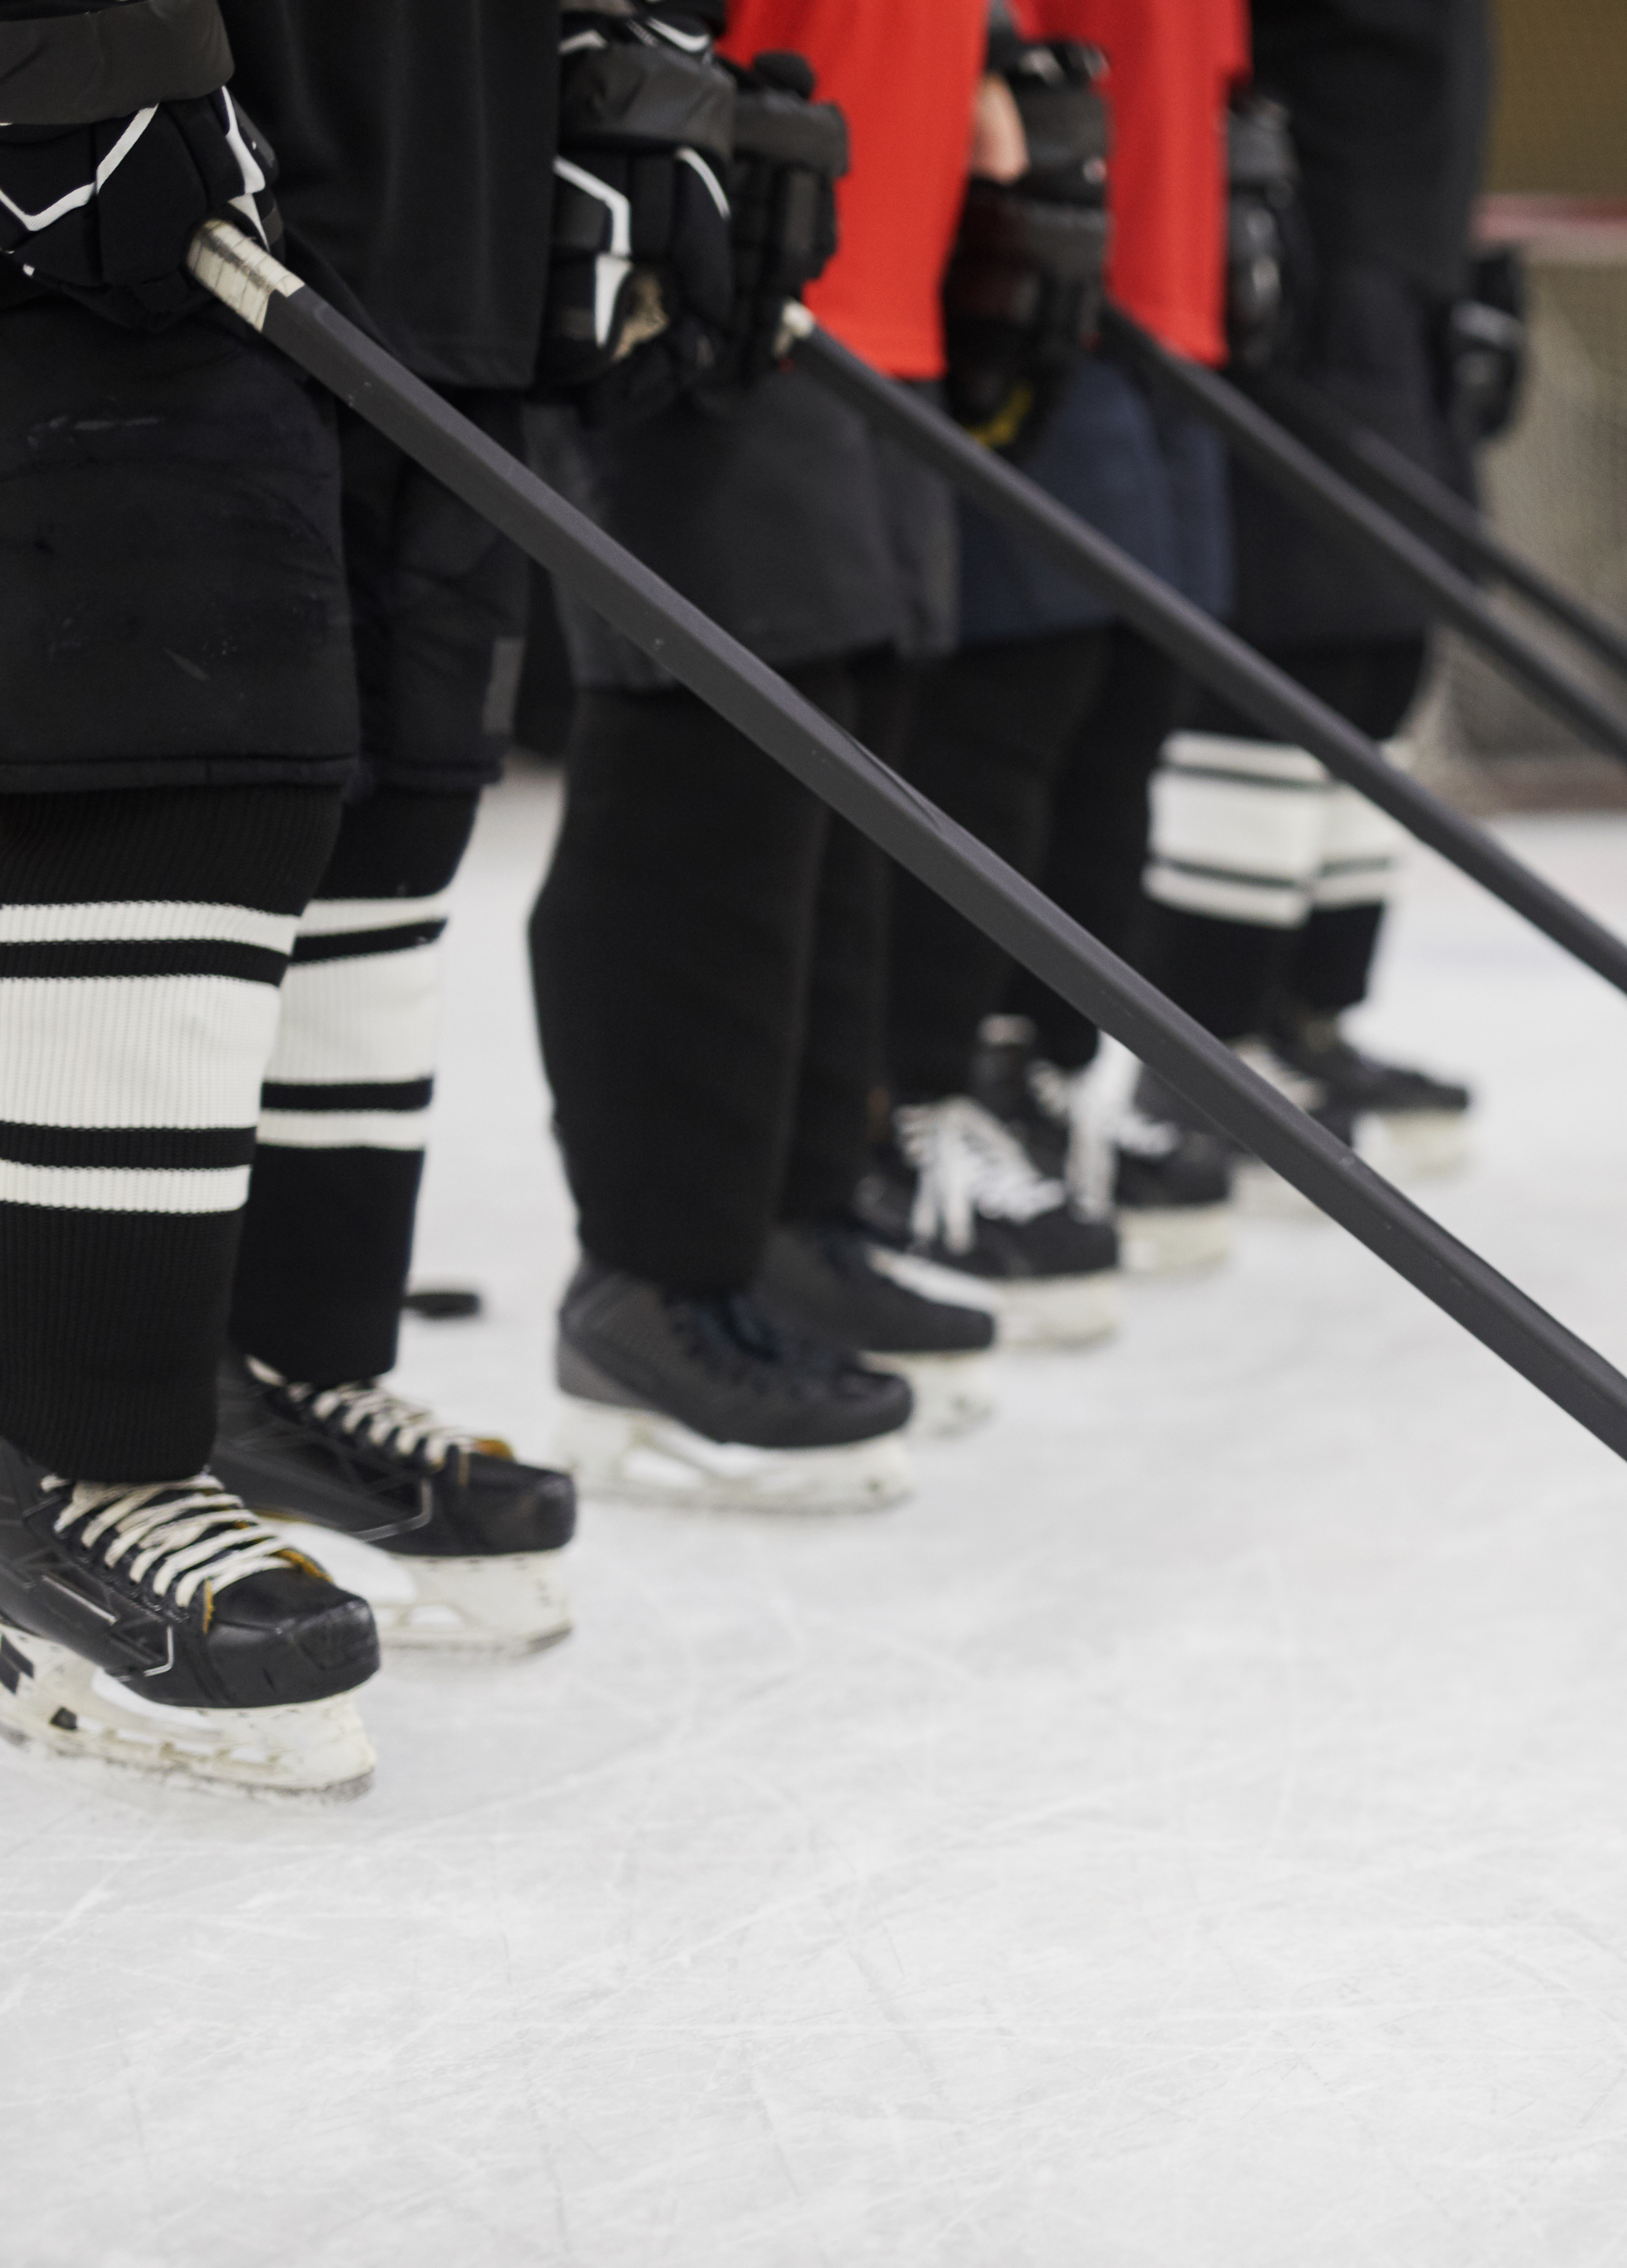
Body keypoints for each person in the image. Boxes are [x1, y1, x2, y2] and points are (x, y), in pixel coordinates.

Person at [0, 0, 741, 1787]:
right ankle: (67, 1454)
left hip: (437, 167)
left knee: (392, 797)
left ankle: (275, 1370)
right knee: (179, 746)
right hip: (149, 146)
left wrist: (631, 61)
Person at [528, 0, 1115, 1514]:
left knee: (850, 739)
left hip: (874, 243)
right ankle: (652, 1283)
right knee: (714, 753)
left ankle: (789, 1222)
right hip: (710, 215)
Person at [874, 6, 1247, 1285]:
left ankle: (1041, 1067)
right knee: (1013, 694)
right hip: (1020, 265)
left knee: (1129, 698)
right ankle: (926, 1085)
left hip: (1147, 282)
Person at [1132, 0, 1498, 1184]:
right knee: (1297, 649)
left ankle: (1310, 1013)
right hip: (1310, 269)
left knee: (1386, 659)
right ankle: (1201, 1046)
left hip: (1412, 270)